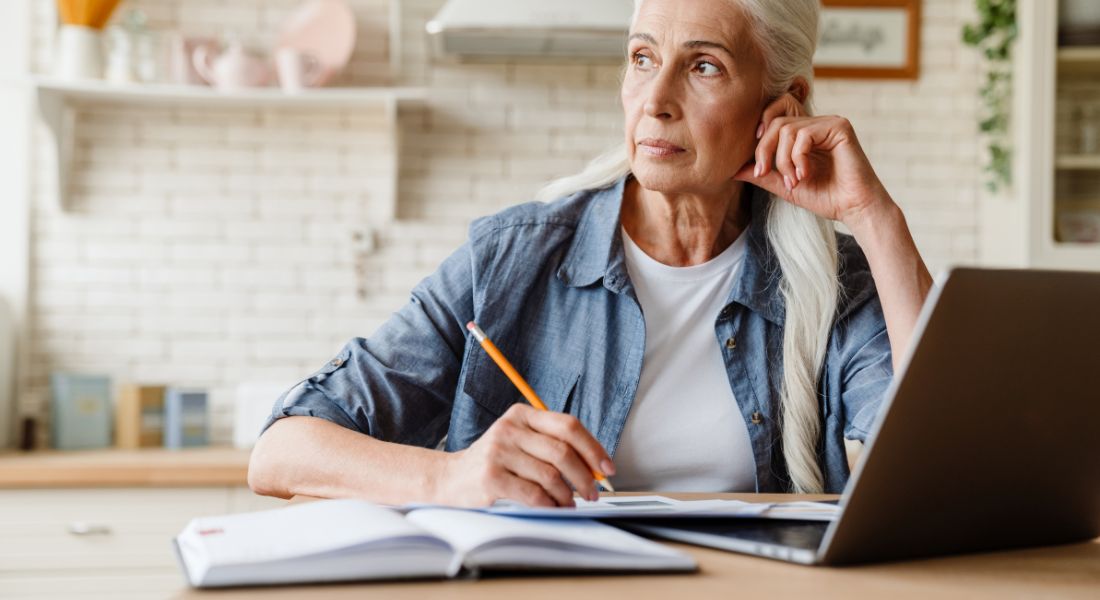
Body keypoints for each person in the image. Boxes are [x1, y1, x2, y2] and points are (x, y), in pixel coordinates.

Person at [248, 0, 933, 507]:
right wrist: (448, 476)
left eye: (703, 66)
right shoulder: (513, 261)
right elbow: (282, 449)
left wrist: (875, 217)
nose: (656, 101)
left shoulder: (832, 283)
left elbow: (943, 466)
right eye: (641, 59)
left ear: (783, 103)